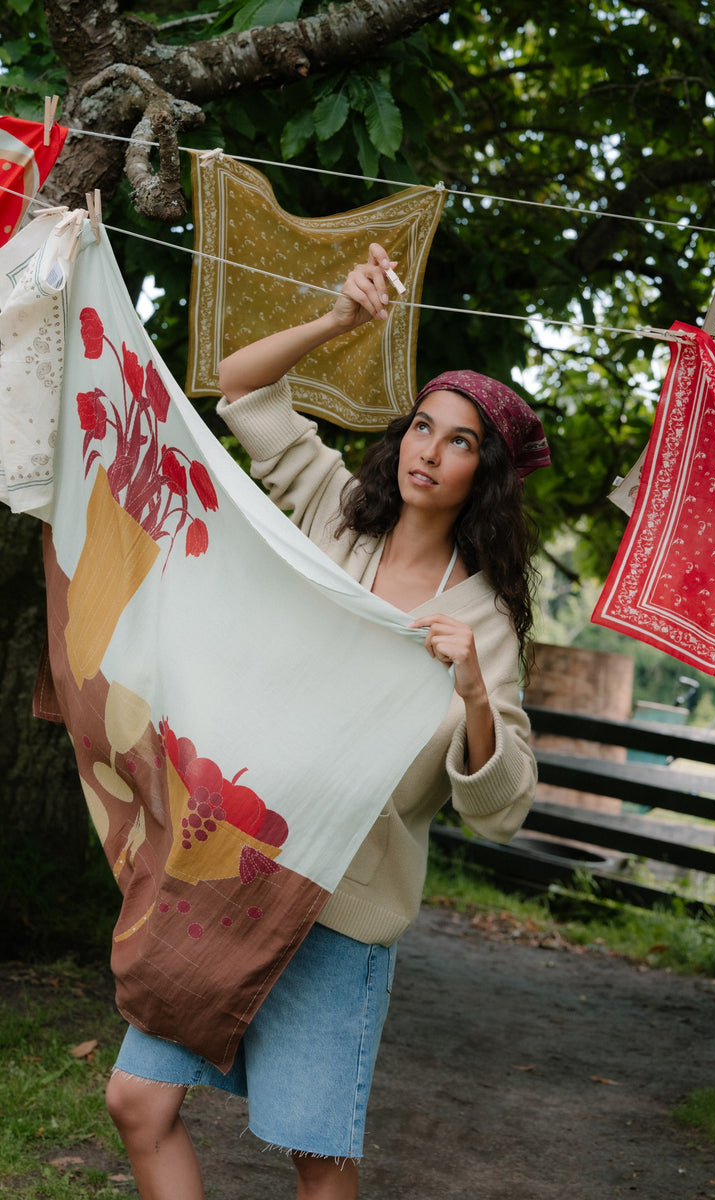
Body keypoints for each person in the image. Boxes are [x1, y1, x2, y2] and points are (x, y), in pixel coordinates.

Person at [105, 242, 548, 1200]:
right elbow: (241, 392)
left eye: (460, 440)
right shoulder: (335, 512)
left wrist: (472, 688)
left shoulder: (483, 622)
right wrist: (343, 321)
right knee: (140, 1102)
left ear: (487, 472)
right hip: (232, 867)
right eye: (423, 427)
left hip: (342, 910)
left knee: (318, 1160)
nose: (430, 450)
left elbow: (504, 804)